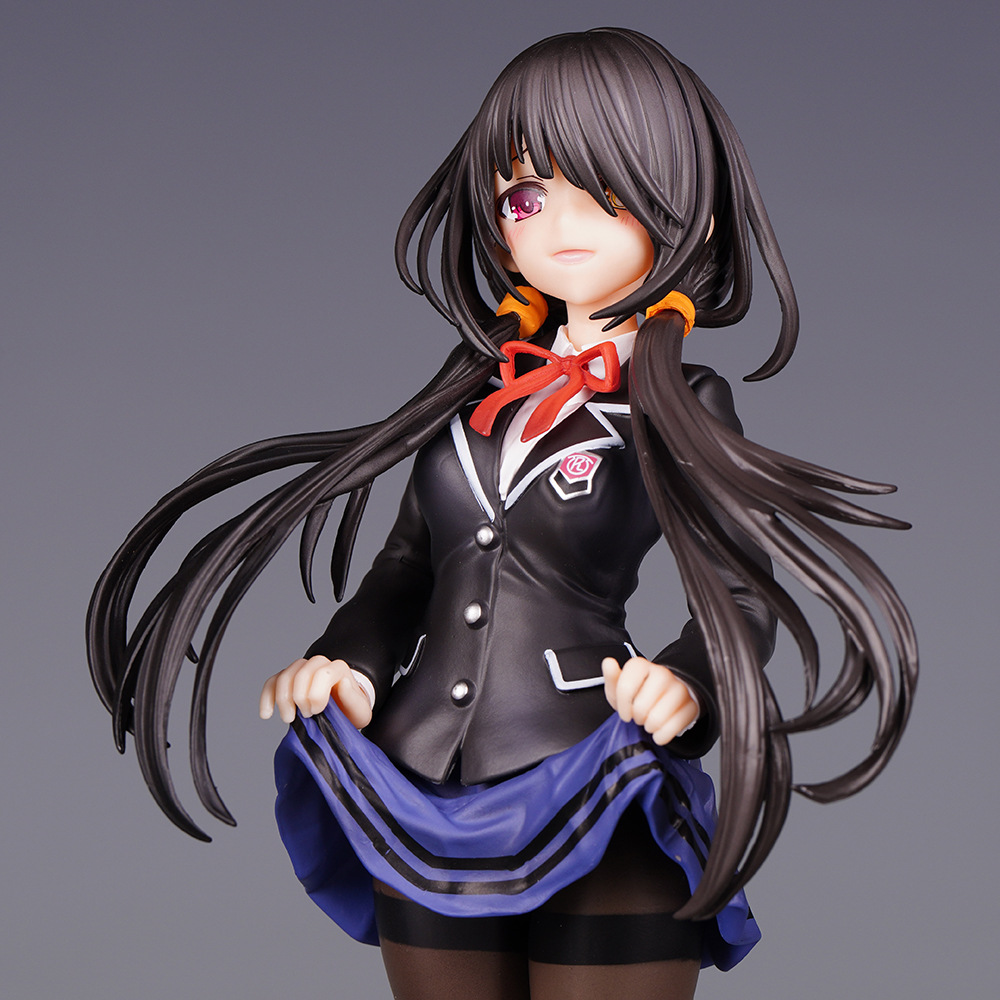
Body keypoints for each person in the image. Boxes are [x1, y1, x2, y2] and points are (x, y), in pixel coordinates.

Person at [88, 28, 917, 1000]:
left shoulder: (681, 402)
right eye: (526, 197)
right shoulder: (470, 388)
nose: (560, 224)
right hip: (416, 784)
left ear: (683, 207)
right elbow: (406, 567)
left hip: (587, 771)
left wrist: (689, 683)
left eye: (606, 193)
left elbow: (742, 589)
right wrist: (348, 662)